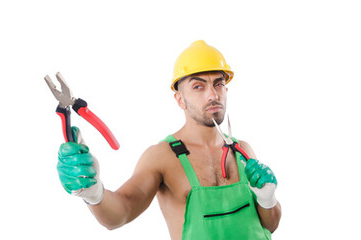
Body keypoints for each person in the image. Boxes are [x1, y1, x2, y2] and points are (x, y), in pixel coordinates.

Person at [56, 40, 281, 239]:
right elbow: (120, 213)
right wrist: (94, 194)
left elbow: (270, 225)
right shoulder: (163, 157)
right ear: (180, 99)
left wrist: (268, 200)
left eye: (218, 83)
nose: (213, 94)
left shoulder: (244, 151)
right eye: (198, 86)